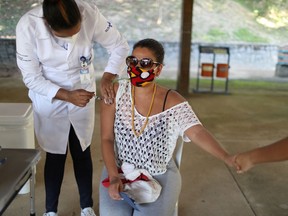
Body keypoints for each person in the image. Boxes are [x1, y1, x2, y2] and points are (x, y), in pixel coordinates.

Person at [99, 38, 237, 216]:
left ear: (158, 69)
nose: (136, 67)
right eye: (132, 61)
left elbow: (196, 131)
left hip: (159, 174)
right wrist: (114, 176)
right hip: (118, 169)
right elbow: (106, 139)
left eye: (145, 63)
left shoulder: (172, 100)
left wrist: (225, 156)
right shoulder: (116, 92)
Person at [16, 0, 129, 216]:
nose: (71, 39)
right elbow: (31, 77)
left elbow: (119, 46)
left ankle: (86, 206)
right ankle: (50, 210)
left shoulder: (89, 12)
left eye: (75, 32)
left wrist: (108, 77)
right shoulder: (28, 25)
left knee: (82, 151)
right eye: (64, 35)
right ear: (47, 23)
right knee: (55, 154)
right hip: (49, 95)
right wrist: (66, 95)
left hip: (82, 86)